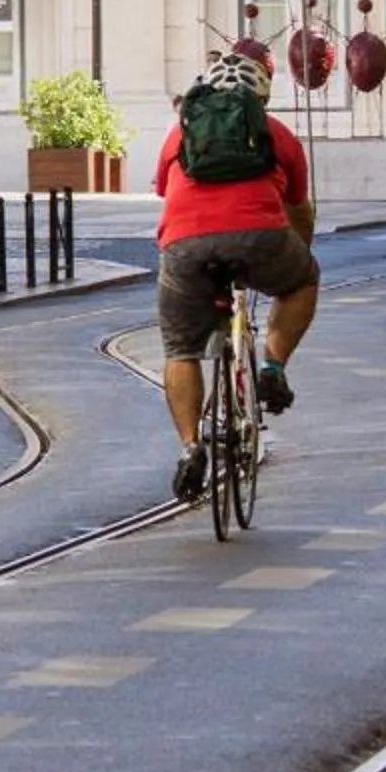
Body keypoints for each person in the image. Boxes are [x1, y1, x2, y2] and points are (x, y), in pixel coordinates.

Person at [152, 48, 320, 503]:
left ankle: (190, 448)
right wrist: (298, 253)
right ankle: (272, 367)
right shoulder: (277, 133)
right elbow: (299, 210)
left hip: (185, 246)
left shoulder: (180, 130)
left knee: (181, 349)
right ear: (260, 98)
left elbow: (165, 190)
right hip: (260, 239)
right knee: (303, 280)